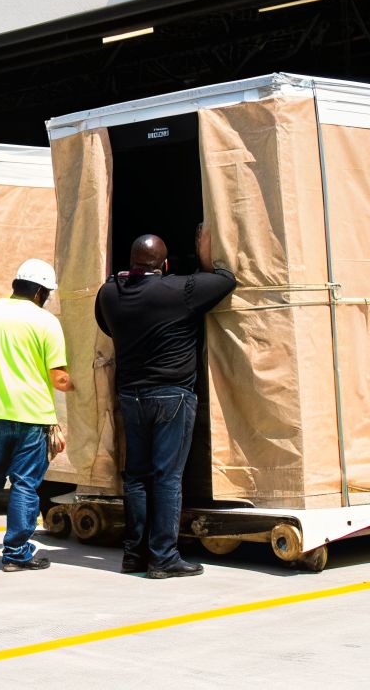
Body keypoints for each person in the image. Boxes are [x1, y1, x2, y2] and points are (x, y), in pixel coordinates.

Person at [94, 223, 236, 579]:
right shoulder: (180, 290)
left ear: (131, 261)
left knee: (137, 477)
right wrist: (204, 254)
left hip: (132, 395)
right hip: (172, 395)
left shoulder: (108, 293)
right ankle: (164, 557)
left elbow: (107, 327)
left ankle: (134, 556)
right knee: (168, 478)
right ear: (166, 265)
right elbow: (224, 279)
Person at [0, 259, 72, 571]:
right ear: (39, 292)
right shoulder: (46, 322)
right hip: (33, 416)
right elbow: (58, 376)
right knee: (24, 484)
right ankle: (16, 554)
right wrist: (81, 387)